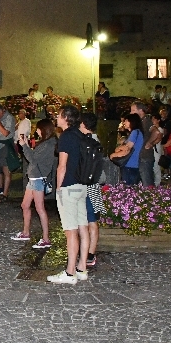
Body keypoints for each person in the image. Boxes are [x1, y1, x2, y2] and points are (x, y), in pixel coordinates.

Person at [47, 105, 90, 285]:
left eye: (58, 115)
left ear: (65, 117)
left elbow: (62, 165)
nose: (56, 117)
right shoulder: (81, 135)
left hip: (69, 187)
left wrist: (59, 188)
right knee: (83, 227)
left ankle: (69, 273)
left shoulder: (66, 136)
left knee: (70, 231)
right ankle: (81, 269)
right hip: (82, 186)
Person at [12, 119, 57, 248]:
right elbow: (34, 157)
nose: (36, 130)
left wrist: (24, 146)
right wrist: (26, 145)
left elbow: (32, 159)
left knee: (40, 208)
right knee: (25, 205)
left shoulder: (47, 144)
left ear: (44, 129)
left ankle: (46, 239)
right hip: (34, 178)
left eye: (38, 128)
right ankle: (26, 232)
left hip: (38, 178)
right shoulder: (45, 143)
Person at [79, 113, 102, 268]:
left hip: (88, 185)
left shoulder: (88, 141)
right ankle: (89, 254)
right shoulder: (96, 140)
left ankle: (89, 254)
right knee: (91, 221)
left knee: (90, 221)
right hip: (95, 184)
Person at [111, 114, 145, 185]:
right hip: (134, 165)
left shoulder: (135, 132)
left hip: (129, 165)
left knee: (127, 190)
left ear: (132, 121)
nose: (124, 123)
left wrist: (115, 152)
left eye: (126, 121)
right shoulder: (138, 132)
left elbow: (127, 148)